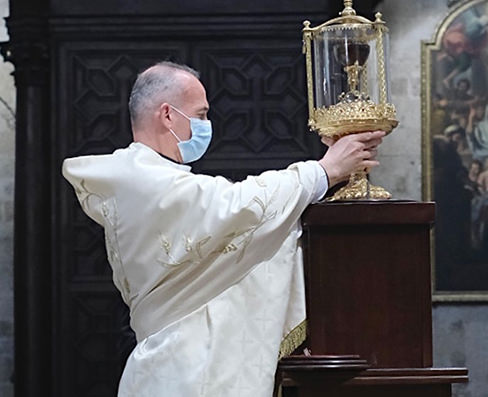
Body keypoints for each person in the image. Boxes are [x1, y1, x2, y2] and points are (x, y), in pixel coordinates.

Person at [62, 61, 385, 397]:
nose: (206, 125)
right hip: (185, 370)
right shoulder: (141, 177)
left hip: (184, 364)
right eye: (201, 115)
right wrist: (324, 170)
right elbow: (238, 208)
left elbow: (242, 231)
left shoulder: (150, 177)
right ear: (168, 115)